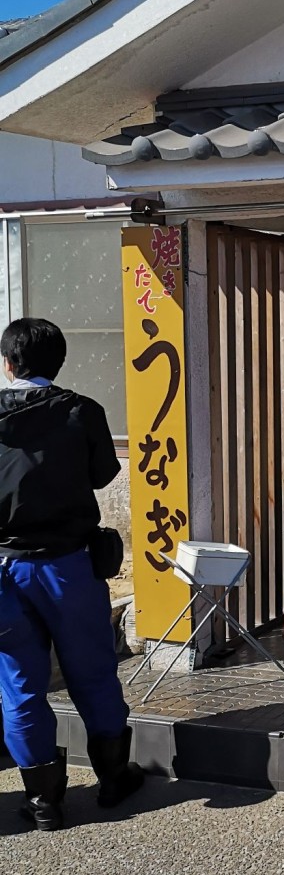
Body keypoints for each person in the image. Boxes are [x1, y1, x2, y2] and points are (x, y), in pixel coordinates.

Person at [0, 318, 143, 831]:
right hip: (68, 565)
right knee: (92, 670)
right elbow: (104, 473)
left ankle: (44, 803)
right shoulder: (82, 411)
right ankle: (113, 779)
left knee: (18, 684)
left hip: (3, 571)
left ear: (9, 364)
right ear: (59, 363)